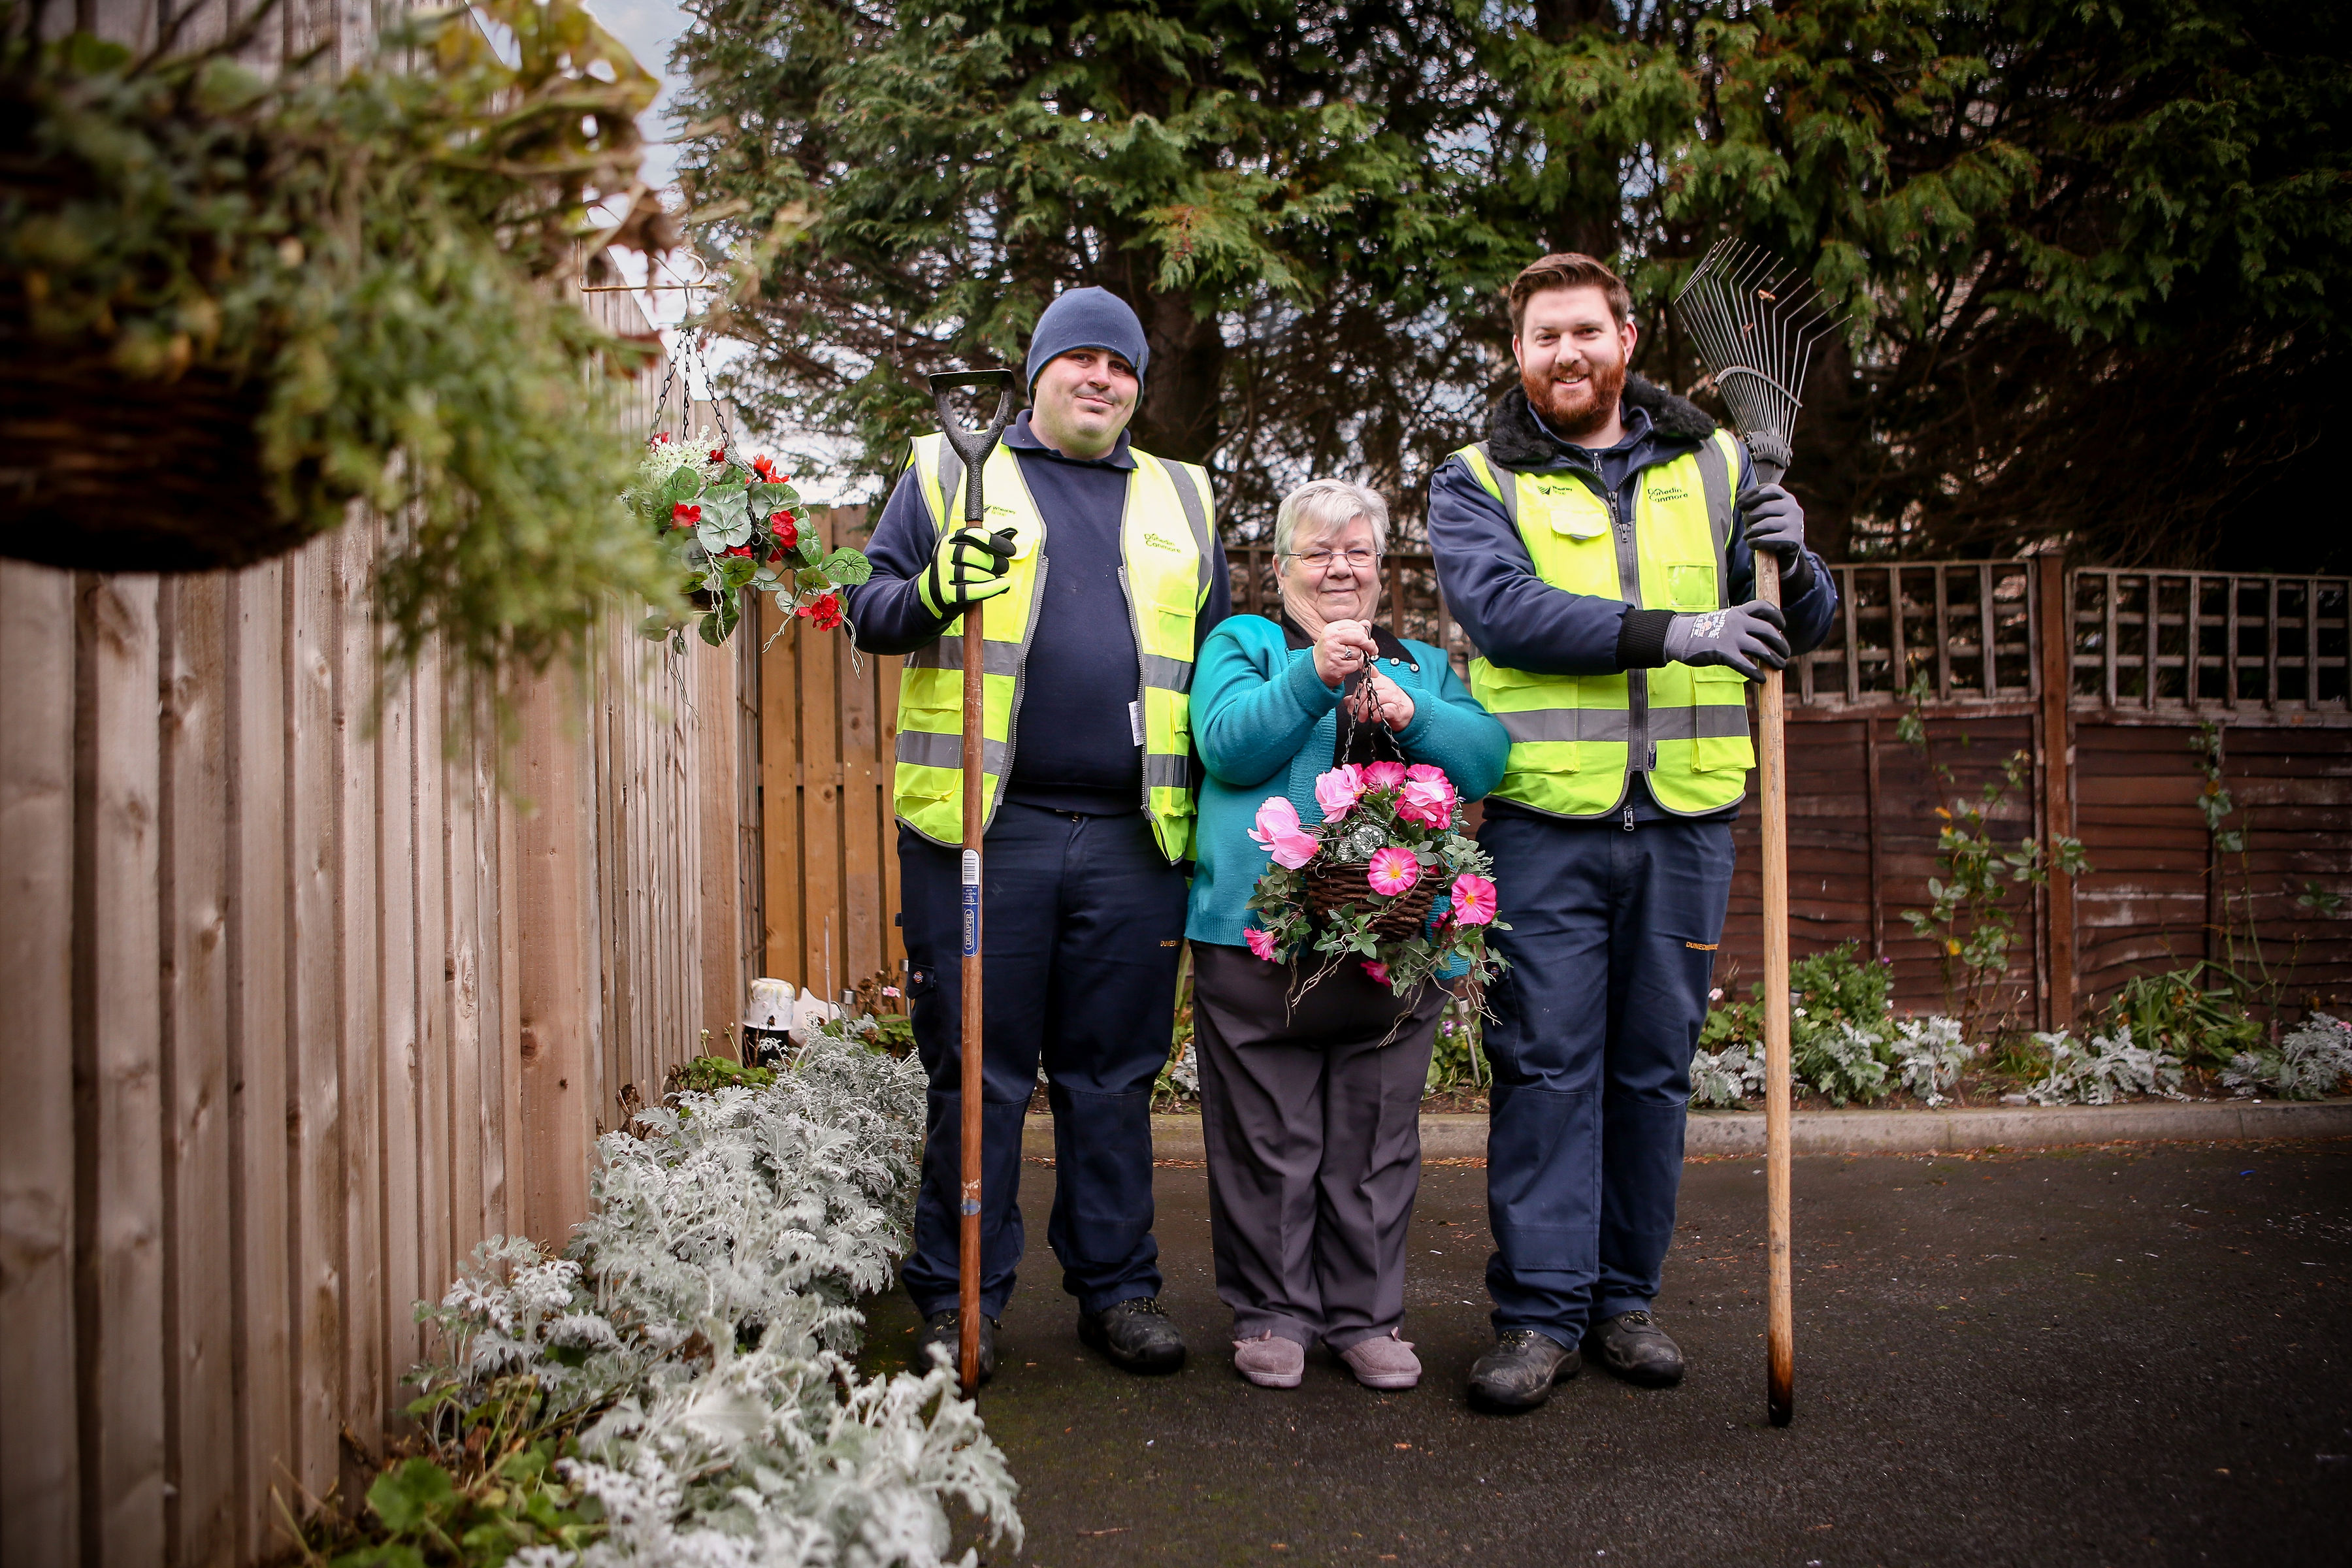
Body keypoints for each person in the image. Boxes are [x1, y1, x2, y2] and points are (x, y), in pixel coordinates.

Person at [1426, 253, 1838, 1411]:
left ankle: (1622, 1302)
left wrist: (1794, 555)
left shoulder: (1718, 463)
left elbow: (1800, 620)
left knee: (1653, 1072)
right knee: (1546, 1064)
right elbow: (1505, 615)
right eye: (1543, 337)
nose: (1567, 354)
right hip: (1546, 822)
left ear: (1629, 339)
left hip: (1691, 819)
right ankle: (1540, 1316)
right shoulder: (1474, 481)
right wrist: (1681, 631)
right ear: (1518, 354)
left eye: (1585, 333)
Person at [846, 287, 1230, 1382]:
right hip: (984, 833)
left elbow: (1216, 656)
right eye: (1081, 360)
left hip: (1133, 834)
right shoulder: (947, 472)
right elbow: (866, 610)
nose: (1101, 379)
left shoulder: (1182, 495)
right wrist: (930, 589)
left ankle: (1118, 1292)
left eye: (1122, 366)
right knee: (979, 1072)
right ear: (1037, 372)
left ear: (1137, 388)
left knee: (1115, 1075)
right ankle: (959, 1296)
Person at [1184, 478, 1509, 1392]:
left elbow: (1486, 759)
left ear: (1379, 567)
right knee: (1265, 1135)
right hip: (1258, 941)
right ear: (1282, 567)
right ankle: (1272, 1315)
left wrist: (1418, 715)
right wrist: (1312, 674)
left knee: (1375, 1138)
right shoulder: (1244, 643)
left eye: (1357, 551)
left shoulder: (1420, 664)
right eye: (1318, 551)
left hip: (1398, 941)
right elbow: (1228, 746)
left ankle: (1365, 1318)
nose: (1339, 567)